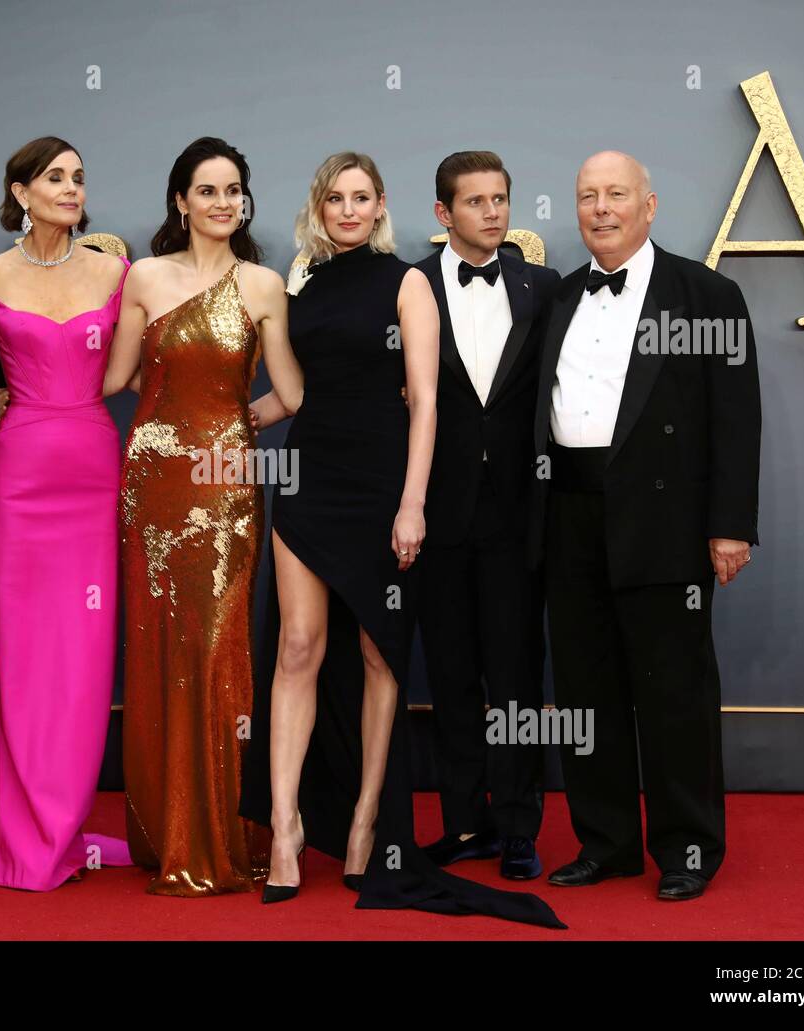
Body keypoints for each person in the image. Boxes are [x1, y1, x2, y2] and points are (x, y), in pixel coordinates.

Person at [240, 152, 564, 928]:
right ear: (317, 207)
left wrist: (412, 502)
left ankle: (362, 826)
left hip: (387, 482)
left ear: (381, 204)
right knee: (298, 647)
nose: (347, 210)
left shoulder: (406, 280)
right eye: (334, 199)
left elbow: (425, 402)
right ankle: (284, 827)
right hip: (312, 477)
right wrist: (222, 423)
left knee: (384, 653)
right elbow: (292, 389)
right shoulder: (300, 282)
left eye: (361, 198)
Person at [531, 150, 761, 901]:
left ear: (650, 205)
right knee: (586, 693)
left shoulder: (708, 294)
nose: (600, 208)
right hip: (569, 512)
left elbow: (735, 419)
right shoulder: (559, 298)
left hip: (664, 518)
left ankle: (689, 845)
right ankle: (607, 842)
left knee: (673, 693)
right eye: (587, 195)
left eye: (616, 195)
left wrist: (729, 526)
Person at [102, 137, 304, 896]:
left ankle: (222, 831)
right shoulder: (144, 278)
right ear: (180, 201)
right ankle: (166, 830)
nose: (222, 202)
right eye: (207, 190)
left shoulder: (263, 285)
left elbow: (292, 392)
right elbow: (117, 377)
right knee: (158, 648)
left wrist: (234, 424)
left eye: (233, 190)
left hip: (225, 490)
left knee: (217, 649)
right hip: (151, 489)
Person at [0, 137, 133, 890]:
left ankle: (52, 818)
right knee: (27, 656)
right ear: (21, 191)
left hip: (93, 468)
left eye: (80, 177)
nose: (72, 188)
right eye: (55, 177)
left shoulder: (118, 274)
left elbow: (138, 372)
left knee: (85, 657)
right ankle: (19, 821)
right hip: (20, 475)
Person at [414, 152, 561, 880]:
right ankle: (464, 823)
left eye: (500, 199)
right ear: (444, 214)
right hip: (436, 515)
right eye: (475, 202)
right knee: (450, 676)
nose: (493, 212)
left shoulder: (545, 287)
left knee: (516, 677)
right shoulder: (408, 287)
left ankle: (518, 828)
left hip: (515, 515)